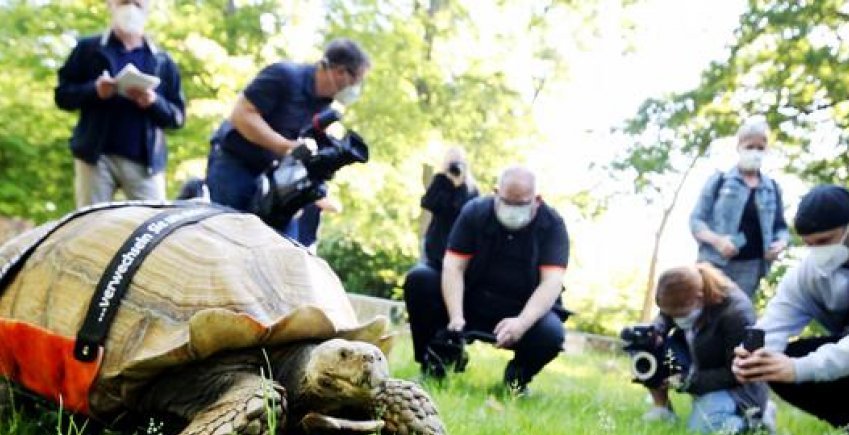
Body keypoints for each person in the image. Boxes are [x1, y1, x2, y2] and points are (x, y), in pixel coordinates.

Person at [403, 165, 569, 393]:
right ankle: (434, 366)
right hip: (469, 299)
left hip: (521, 310)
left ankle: (516, 381)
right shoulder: (475, 212)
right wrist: (456, 317)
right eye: (507, 202)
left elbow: (551, 282)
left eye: (520, 204)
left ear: (536, 200)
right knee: (419, 280)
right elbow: (453, 266)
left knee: (551, 333)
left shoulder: (553, 225)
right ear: (495, 192)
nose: (512, 210)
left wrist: (521, 323)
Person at [733, 184, 849, 435]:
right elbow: (777, 319)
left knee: (797, 365)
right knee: (779, 363)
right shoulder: (808, 272)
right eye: (809, 244)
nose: (817, 252)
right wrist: (752, 355)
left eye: (824, 241)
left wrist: (801, 368)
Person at [205, 38, 370, 238]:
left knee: (284, 245)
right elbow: (241, 115)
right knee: (232, 238)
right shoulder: (284, 76)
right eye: (356, 81)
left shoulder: (324, 109)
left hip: (272, 177)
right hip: (234, 164)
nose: (355, 88)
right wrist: (284, 146)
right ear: (340, 72)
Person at [55, 0, 185, 207]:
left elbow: (177, 117)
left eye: (137, 3)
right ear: (110, 5)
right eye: (124, 2)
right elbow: (62, 96)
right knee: (90, 224)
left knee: (153, 224)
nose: (130, 8)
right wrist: (94, 91)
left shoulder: (162, 60)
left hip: (145, 163)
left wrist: (153, 102)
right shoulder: (88, 49)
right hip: (96, 158)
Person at [641, 263, 769, 435]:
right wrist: (654, 332)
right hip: (698, 363)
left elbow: (738, 372)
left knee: (700, 431)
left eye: (680, 314)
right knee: (645, 347)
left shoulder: (737, 313)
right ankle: (662, 409)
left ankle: (754, 421)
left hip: (737, 388)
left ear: (699, 298)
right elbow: (666, 315)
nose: (675, 319)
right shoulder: (682, 294)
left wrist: (688, 381)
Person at [689, 116, 789, 298]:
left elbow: (781, 228)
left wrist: (780, 244)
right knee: (702, 314)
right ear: (739, 147)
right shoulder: (719, 180)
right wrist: (718, 241)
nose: (755, 152)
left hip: (751, 268)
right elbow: (696, 221)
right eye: (750, 147)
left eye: (760, 147)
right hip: (713, 265)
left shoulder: (772, 188)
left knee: (736, 318)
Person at [419, 147, 479, 269]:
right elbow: (427, 203)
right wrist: (445, 179)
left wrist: (458, 187)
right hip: (436, 240)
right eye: (451, 162)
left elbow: (464, 212)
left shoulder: (471, 187)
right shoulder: (440, 180)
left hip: (459, 242)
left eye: (458, 162)